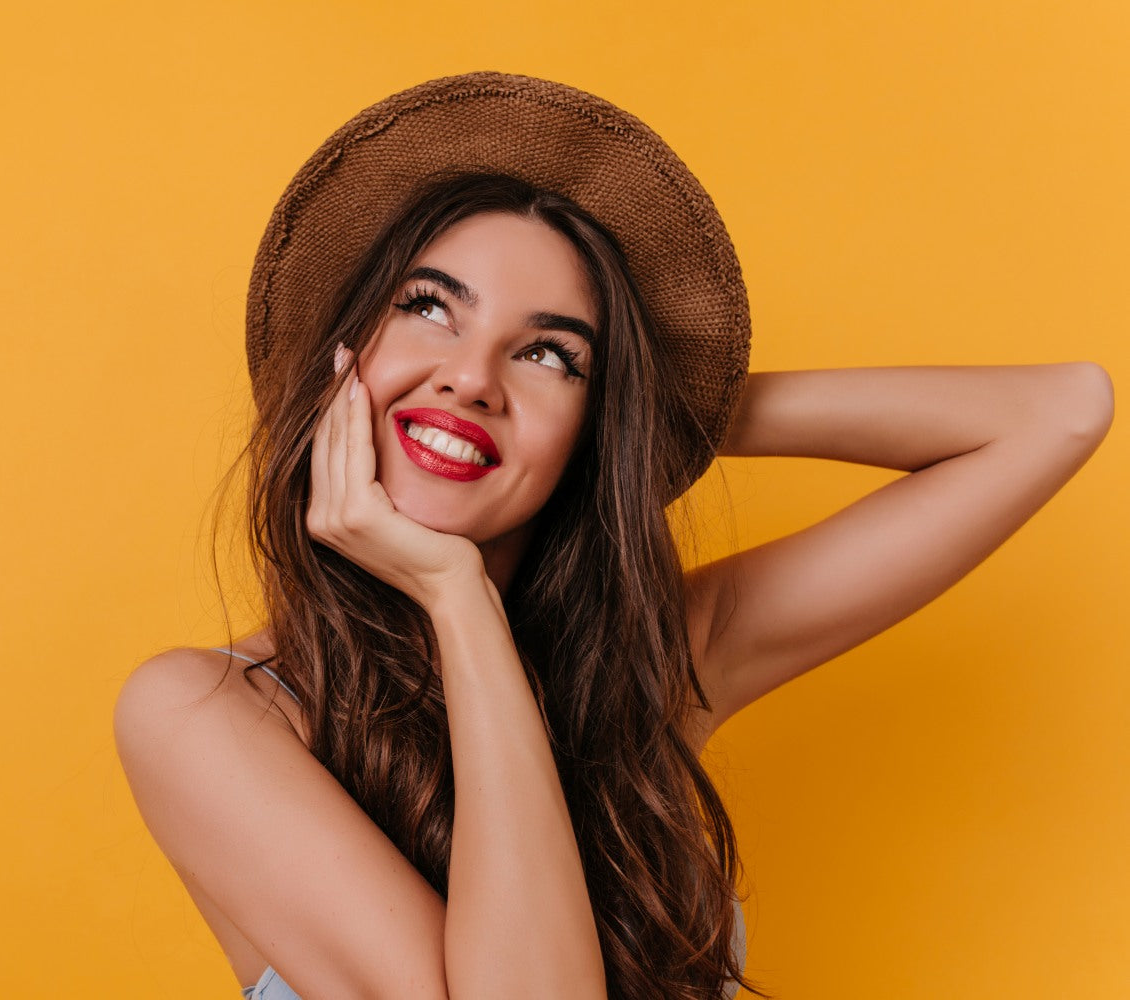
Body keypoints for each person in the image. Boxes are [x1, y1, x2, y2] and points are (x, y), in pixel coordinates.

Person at [112, 72, 1114, 1000]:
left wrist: (644, 413)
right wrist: (455, 592)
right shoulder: (210, 714)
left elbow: (1061, 412)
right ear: (344, 359)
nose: (473, 376)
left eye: (548, 352)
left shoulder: (647, 669)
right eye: (428, 308)